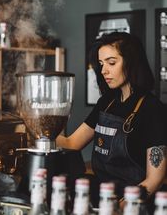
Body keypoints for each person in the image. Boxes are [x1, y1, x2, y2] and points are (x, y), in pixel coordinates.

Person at [56, 32, 167, 211]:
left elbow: (155, 179)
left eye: (111, 63)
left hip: (134, 203)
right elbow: (72, 143)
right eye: (101, 64)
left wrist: (120, 207)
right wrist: (36, 132)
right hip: (102, 194)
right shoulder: (107, 102)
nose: (103, 70)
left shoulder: (152, 109)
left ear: (131, 62)